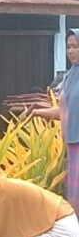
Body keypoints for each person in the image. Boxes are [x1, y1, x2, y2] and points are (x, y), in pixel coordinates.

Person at [31, 29, 79, 212]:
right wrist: (37, 113)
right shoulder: (69, 76)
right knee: (74, 195)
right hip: (72, 144)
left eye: (76, 47)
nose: (71, 51)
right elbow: (65, 111)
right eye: (68, 47)